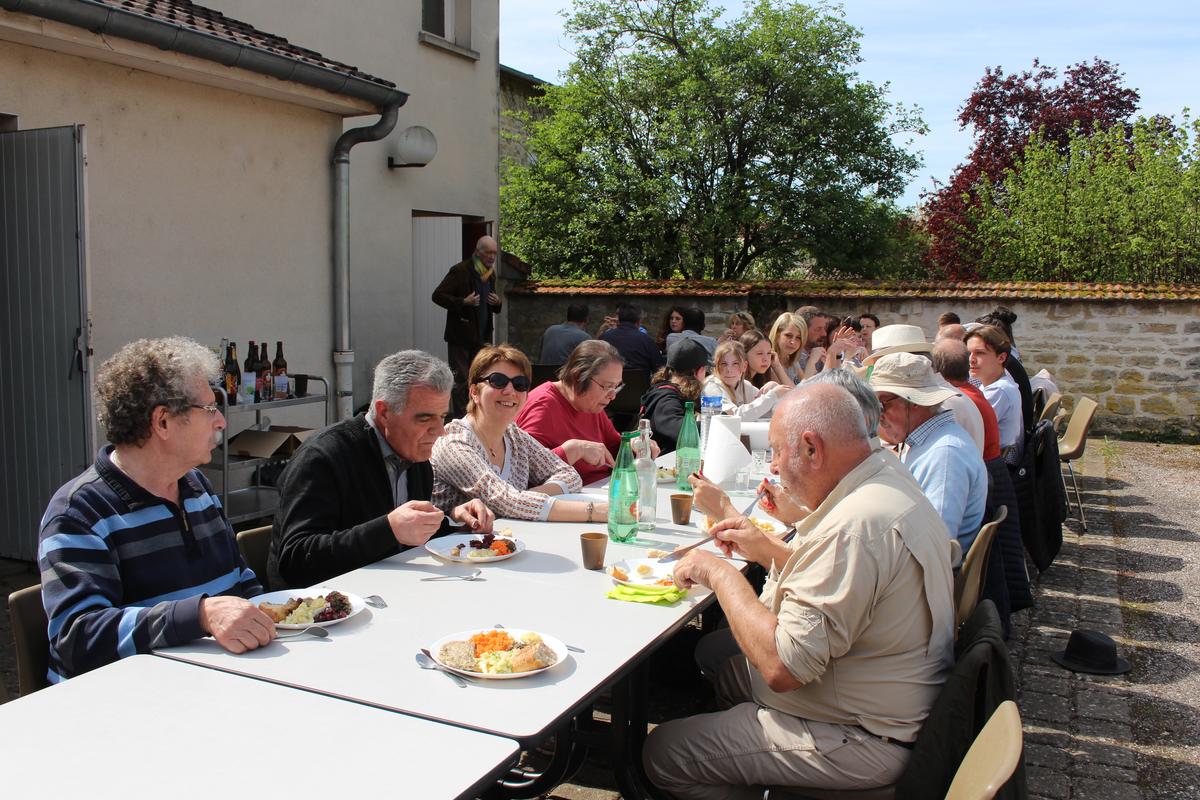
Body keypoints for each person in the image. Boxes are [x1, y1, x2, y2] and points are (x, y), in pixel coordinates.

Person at [643, 384, 955, 798]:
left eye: (775, 452)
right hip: (888, 697)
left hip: (865, 735)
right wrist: (767, 550)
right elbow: (848, 585)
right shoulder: (884, 478)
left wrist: (722, 575)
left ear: (811, 448)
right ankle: (746, 761)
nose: (773, 467)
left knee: (663, 752)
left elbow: (782, 667)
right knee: (729, 663)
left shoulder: (854, 527)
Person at [38, 337, 272, 682]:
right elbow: (78, 638)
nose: (221, 421)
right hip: (125, 705)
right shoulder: (80, 512)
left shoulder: (195, 486)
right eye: (210, 409)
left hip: (213, 680)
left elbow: (240, 582)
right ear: (162, 422)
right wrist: (200, 615)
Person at [268, 350, 494, 588]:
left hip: (390, 591)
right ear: (385, 412)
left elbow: (403, 537)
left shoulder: (414, 453)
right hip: (317, 611)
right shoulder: (323, 457)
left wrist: (453, 521)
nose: (440, 431)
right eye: (425, 418)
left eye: (442, 416)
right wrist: (388, 529)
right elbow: (295, 562)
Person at [431, 346, 605, 523]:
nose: (510, 391)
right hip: (448, 547)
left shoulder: (514, 435)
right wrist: (598, 512)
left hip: (504, 544)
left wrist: (526, 496)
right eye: (498, 381)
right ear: (474, 392)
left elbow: (570, 475)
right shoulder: (454, 443)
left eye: (520, 384)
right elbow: (503, 500)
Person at [869, 353, 987, 554]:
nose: (879, 415)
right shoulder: (929, 441)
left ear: (913, 401)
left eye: (883, 405)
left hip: (925, 576)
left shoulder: (945, 455)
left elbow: (933, 545)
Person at [515, 340, 629, 485]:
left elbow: (614, 448)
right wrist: (574, 450)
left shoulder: (590, 404)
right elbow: (523, 471)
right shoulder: (542, 407)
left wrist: (633, 446)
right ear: (578, 377)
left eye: (616, 387)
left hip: (602, 489)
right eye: (607, 387)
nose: (613, 396)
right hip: (571, 499)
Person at [432, 235, 502, 416]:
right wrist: (463, 302)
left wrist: (497, 303)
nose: (492, 257)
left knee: (480, 378)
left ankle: (476, 415)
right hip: (461, 336)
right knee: (461, 380)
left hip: (482, 337)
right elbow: (437, 296)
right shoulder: (460, 271)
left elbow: (492, 306)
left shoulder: (489, 274)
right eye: (488, 253)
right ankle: (461, 418)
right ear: (478, 252)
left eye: (494, 253)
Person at [932, 338, 1000, 462]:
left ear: (937, 370)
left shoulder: (953, 400)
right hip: (988, 466)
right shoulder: (971, 392)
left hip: (986, 470)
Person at [639, 339, 711, 453]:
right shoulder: (666, 398)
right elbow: (682, 432)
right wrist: (718, 422)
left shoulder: (678, 392)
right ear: (699, 371)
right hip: (660, 466)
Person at [966, 325, 1024, 464]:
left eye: (980, 353)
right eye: (969, 353)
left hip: (998, 467)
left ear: (1001, 357)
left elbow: (971, 431)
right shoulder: (989, 384)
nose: (971, 359)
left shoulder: (1000, 390)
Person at [703, 339, 787, 420]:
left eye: (735, 363)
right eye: (724, 364)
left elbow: (767, 411)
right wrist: (772, 396)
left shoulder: (745, 385)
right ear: (716, 367)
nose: (729, 370)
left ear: (744, 366)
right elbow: (734, 416)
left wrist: (773, 388)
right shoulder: (710, 387)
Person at [598, 303, 666, 372]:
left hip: (608, 381)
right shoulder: (647, 340)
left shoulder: (604, 338)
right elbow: (659, 369)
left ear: (618, 319)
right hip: (640, 382)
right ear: (639, 321)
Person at [769, 311, 809, 385]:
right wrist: (813, 360)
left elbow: (806, 387)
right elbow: (791, 394)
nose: (793, 342)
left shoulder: (793, 362)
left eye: (798, 338)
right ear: (777, 334)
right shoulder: (769, 361)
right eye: (788, 336)